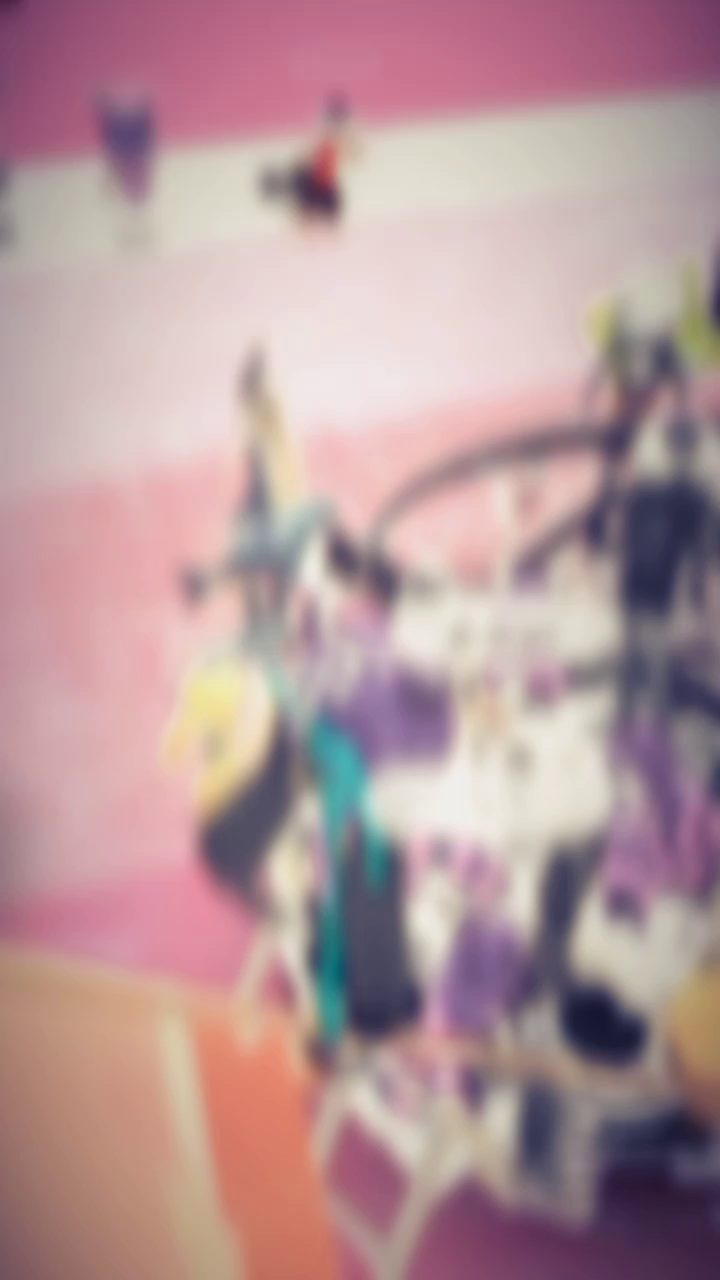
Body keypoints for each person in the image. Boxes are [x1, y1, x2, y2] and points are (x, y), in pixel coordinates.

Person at [259, 96, 360, 224]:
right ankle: (281, 185)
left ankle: (282, 185)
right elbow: (307, 158)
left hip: (320, 186)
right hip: (313, 183)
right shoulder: (324, 136)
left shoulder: (330, 137)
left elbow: (350, 153)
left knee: (319, 210)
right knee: (304, 194)